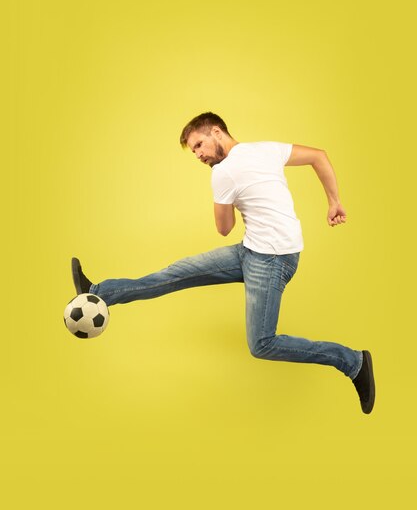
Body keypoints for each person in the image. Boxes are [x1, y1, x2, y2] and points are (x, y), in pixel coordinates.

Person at [71, 111, 375, 414]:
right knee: (175, 274)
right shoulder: (266, 149)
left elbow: (223, 228)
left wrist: (225, 194)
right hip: (252, 250)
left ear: (217, 132)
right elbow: (318, 156)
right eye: (194, 151)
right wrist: (334, 201)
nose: (199, 155)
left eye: (199, 145)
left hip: (271, 260)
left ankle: (352, 362)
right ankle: (100, 292)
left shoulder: (224, 172)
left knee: (262, 344)